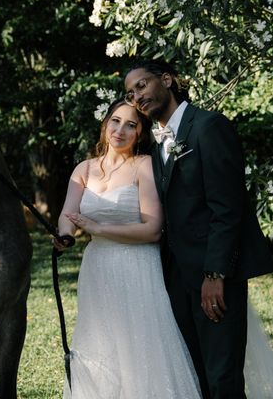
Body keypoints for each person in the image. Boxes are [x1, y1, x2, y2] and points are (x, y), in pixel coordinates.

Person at [123, 59, 273, 399]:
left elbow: (228, 208)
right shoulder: (153, 144)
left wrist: (214, 275)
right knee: (194, 377)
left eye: (142, 85)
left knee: (222, 377)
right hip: (175, 278)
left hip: (215, 275)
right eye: (130, 93)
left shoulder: (209, 126)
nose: (137, 96)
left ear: (167, 80)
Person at [53, 98, 203, 398]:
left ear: (140, 133)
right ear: (105, 124)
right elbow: (67, 215)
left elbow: (152, 230)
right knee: (100, 342)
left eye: (131, 125)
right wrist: (64, 236)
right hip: (97, 268)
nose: (120, 130)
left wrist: (98, 229)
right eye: (115, 121)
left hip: (137, 265)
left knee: (142, 345)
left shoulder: (143, 166)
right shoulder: (84, 168)